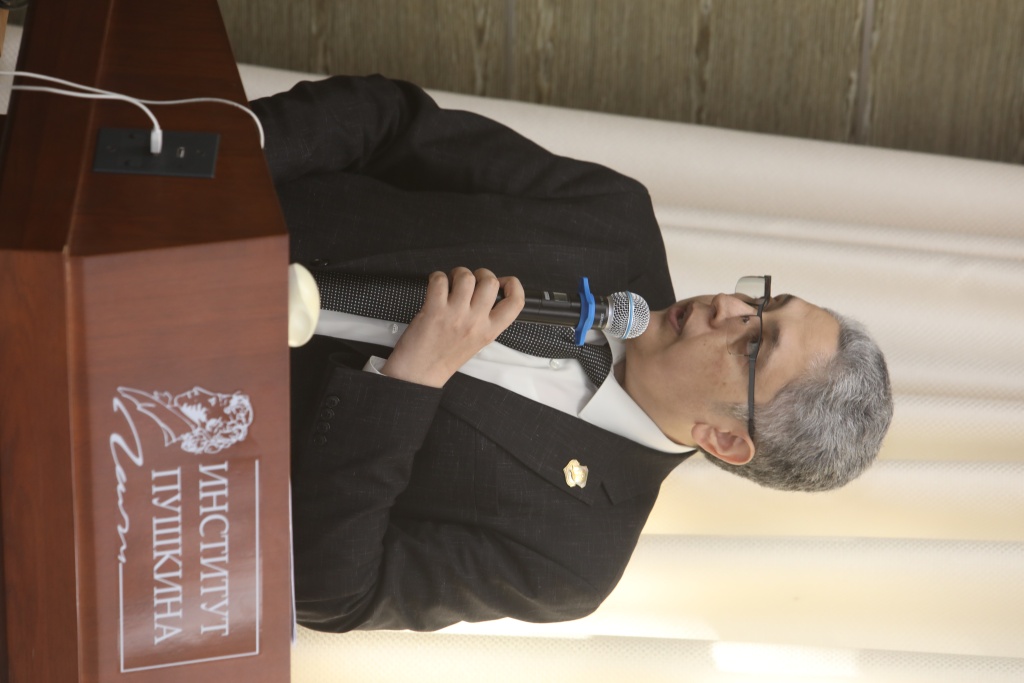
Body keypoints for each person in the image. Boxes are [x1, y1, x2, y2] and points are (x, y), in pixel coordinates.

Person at [250, 75, 893, 632]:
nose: (727, 305)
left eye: (753, 344)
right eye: (764, 302)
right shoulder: (617, 220)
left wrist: (407, 386)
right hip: (221, 208)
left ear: (724, 440)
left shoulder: (573, 558)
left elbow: (331, 593)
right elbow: (393, 123)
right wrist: (227, 164)